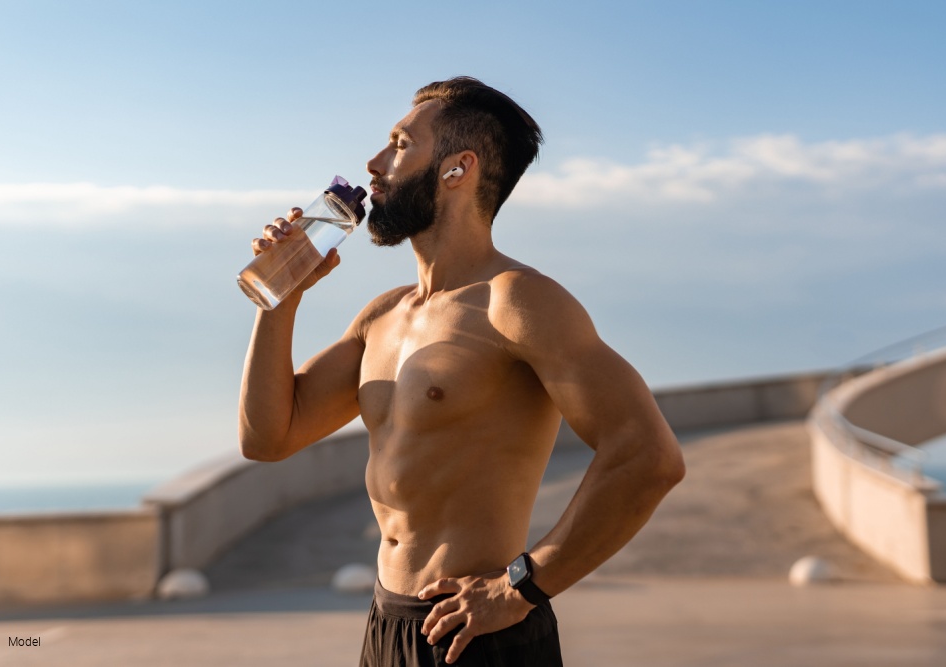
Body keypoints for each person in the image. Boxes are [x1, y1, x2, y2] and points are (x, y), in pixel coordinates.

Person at [238, 76, 685, 667]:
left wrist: (521, 588)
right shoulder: (382, 316)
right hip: (387, 624)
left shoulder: (516, 302)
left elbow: (649, 455)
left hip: (478, 633)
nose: (374, 163)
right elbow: (267, 438)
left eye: (400, 144)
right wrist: (280, 298)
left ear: (458, 168)